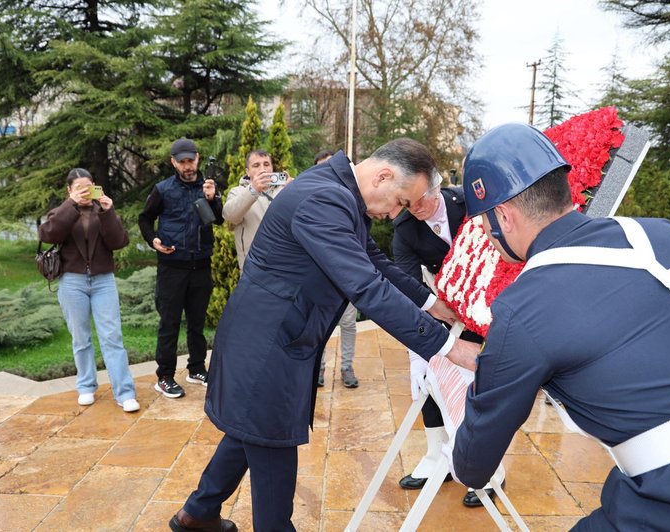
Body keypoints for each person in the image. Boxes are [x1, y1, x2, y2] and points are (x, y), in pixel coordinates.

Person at [169, 139, 481, 532]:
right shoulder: (323, 199)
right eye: (401, 201)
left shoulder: (339, 192)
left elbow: (373, 260)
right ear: (384, 176)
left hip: (278, 338)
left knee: (251, 429)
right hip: (267, 347)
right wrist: (448, 347)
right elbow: (366, 286)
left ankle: (197, 514)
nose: (396, 213)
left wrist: (431, 303)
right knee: (273, 448)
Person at [446, 123, 670, 529]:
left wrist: (491, 372)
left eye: (484, 223)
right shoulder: (661, 235)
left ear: (504, 217)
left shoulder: (523, 306)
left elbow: (472, 467)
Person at [391, 175, 504, 507]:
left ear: (435, 186)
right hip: (444, 306)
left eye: (419, 201)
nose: (414, 209)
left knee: (481, 383)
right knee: (431, 370)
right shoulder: (405, 229)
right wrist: (418, 350)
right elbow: (408, 289)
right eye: (407, 204)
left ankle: (492, 467)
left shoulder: (466, 203)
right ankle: (433, 453)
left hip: (492, 300)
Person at [38, 168, 139, 412]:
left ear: (95, 186)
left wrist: (108, 211)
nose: (84, 192)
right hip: (72, 281)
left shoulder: (102, 210)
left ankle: (124, 393)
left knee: (112, 337)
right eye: (78, 188)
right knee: (81, 338)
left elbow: (119, 242)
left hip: (103, 280)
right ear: (69, 190)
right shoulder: (61, 212)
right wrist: (70, 206)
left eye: (88, 186)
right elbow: (48, 234)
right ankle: (85, 386)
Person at [139, 138, 223, 399]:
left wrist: (212, 198)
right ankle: (164, 376)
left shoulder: (208, 187)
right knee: (169, 323)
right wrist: (153, 239)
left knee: (197, 322)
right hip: (172, 268)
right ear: (174, 162)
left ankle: (196, 368)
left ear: (198, 158)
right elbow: (145, 218)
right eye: (182, 162)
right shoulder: (163, 189)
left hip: (201, 265)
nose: (188, 166)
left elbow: (218, 219)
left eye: (191, 160)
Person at [314, 148, 359, 388]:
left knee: (348, 323)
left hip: (346, 277)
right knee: (319, 326)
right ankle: (318, 367)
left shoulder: (351, 200)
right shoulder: (311, 200)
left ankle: (347, 367)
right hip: (320, 279)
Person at [222, 149, 289, 271]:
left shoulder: (285, 189)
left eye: (266, 164)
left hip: (285, 264)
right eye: (256, 165)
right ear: (247, 172)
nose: (262, 169)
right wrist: (253, 190)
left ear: (272, 168)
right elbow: (230, 215)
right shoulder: (238, 192)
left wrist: (294, 190)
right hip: (254, 268)